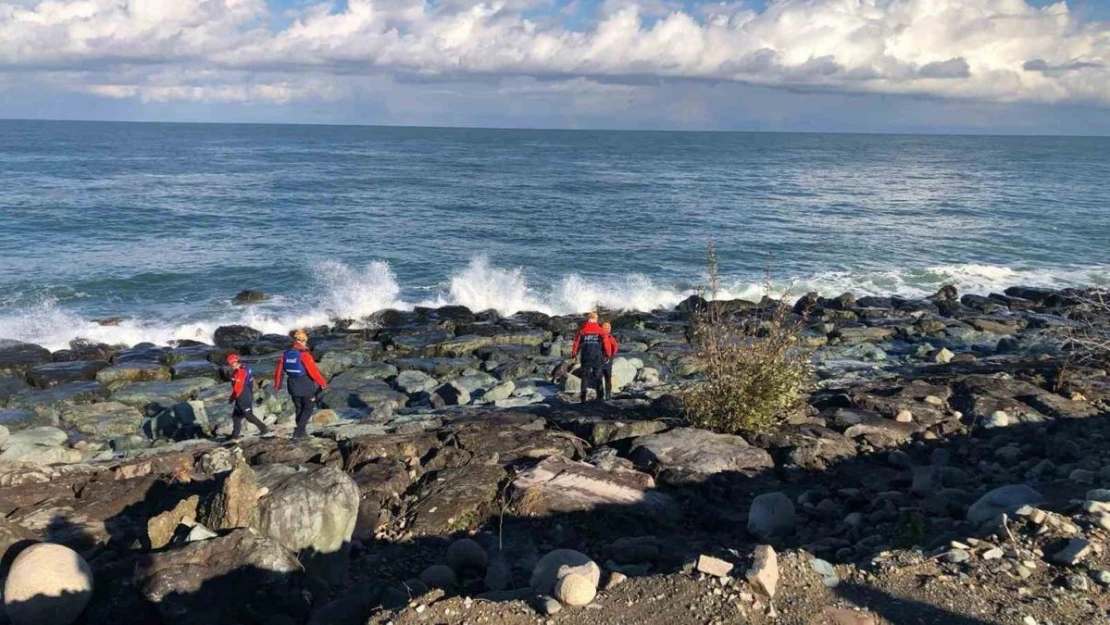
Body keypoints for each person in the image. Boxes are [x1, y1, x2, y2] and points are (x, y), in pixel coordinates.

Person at [274, 329, 328, 439]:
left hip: (292, 385)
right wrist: (322, 383)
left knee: (299, 408)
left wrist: (277, 385)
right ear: (302, 341)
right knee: (308, 408)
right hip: (305, 385)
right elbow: (313, 372)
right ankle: (298, 431)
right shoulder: (304, 355)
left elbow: (279, 371)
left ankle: (302, 433)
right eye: (305, 341)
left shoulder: (285, 354)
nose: (305, 343)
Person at [570, 312, 613, 403]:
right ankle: (600, 397)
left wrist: (574, 354)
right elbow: (606, 343)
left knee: (584, 377)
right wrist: (608, 354)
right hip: (598, 356)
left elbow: (576, 343)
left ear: (588, 319)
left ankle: (583, 398)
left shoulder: (582, 331)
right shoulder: (601, 331)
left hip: (585, 357)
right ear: (596, 319)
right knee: (598, 376)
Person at [226, 354, 268, 439]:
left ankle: (263, 428)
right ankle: (234, 435)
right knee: (236, 417)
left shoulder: (241, 372)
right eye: (230, 364)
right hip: (244, 395)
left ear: (236, 362)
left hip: (244, 397)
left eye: (232, 364)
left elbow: (238, 387)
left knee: (249, 416)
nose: (231, 366)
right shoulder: (245, 368)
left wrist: (233, 397)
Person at [601, 321, 619, 400]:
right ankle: (608, 395)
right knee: (608, 377)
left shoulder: (598, 337)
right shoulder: (611, 338)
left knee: (599, 377)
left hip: (600, 359)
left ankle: (600, 396)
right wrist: (612, 354)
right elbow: (615, 348)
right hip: (608, 359)